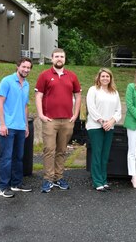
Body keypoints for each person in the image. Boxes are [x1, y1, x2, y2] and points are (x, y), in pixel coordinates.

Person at [35, 48, 82, 193]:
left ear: (65, 59)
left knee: (61, 150)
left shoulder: (72, 76)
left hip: (67, 120)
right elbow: (38, 96)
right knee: (49, 149)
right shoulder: (45, 75)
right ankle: (48, 179)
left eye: (61, 56)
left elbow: (78, 96)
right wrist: (41, 115)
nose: (59, 59)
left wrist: (75, 115)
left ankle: (58, 177)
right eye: (56, 56)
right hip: (50, 120)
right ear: (52, 58)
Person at [0, 57, 33, 198]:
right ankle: (3, 187)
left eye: (28, 68)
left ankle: (16, 184)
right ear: (18, 66)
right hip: (8, 126)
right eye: (24, 67)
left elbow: (24, 106)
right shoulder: (6, 81)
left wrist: (26, 125)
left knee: (19, 157)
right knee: (6, 158)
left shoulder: (27, 84)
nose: (26, 70)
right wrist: (3, 124)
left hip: (20, 127)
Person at [86, 68, 122, 192]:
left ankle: (103, 179)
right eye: (103, 76)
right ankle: (97, 181)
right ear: (99, 78)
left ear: (110, 78)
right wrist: (102, 121)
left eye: (107, 76)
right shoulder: (93, 90)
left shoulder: (114, 92)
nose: (105, 78)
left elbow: (118, 111)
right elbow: (91, 108)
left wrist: (111, 121)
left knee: (105, 155)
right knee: (97, 153)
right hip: (95, 126)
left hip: (109, 127)